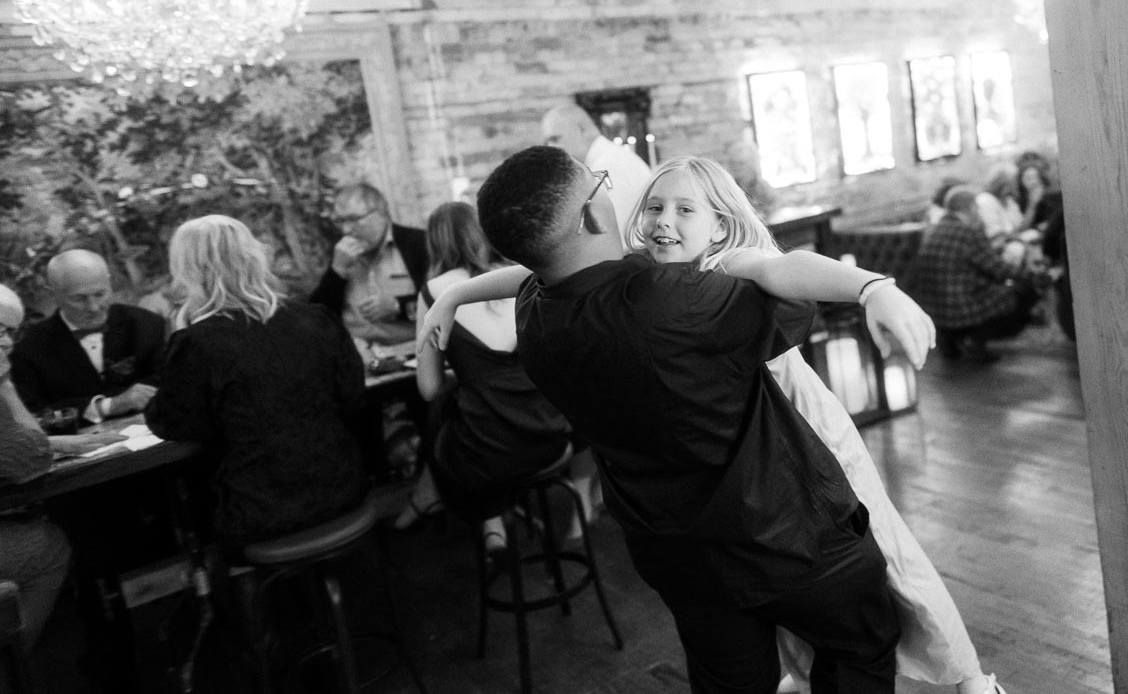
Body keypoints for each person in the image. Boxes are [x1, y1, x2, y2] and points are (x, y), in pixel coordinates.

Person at [419, 145, 942, 694]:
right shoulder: (674, 301)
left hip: (677, 555)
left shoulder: (535, 312)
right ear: (595, 215)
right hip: (783, 536)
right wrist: (871, 286)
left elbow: (527, 273)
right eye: (601, 185)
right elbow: (786, 290)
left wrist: (451, 294)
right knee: (859, 651)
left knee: (731, 683)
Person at [147, 216, 369, 547]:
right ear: (254, 256)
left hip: (260, 511)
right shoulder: (316, 319)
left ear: (188, 272)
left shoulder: (196, 343)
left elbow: (175, 424)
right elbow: (353, 398)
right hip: (345, 487)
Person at [392, 202, 571, 537]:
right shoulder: (522, 274)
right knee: (470, 414)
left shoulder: (434, 291)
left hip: (490, 452)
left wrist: (469, 374)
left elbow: (428, 388)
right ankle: (494, 523)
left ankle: (486, 523)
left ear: (435, 244)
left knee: (446, 418)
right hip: (551, 432)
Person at [0, 284, 125, 653]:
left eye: (11, 333)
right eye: (0, 332)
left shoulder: (141, 324)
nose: (8, 344)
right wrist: (4, 382)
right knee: (47, 546)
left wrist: (51, 444)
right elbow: (29, 463)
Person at [11, 249, 165, 424]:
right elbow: (35, 413)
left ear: (109, 283)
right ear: (54, 294)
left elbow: (171, 380)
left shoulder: (145, 323)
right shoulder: (28, 348)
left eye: (100, 294)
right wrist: (107, 406)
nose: (94, 307)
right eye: (79, 299)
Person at [907, 186, 1047, 363]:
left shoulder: (934, 229)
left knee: (996, 287)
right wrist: (1032, 275)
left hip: (935, 310)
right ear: (971, 208)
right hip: (960, 307)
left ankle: (950, 338)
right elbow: (1000, 269)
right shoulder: (968, 232)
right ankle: (975, 340)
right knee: (1024, 290)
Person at [310, 182, 429, 362]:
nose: (346, 230)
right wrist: (337, 271)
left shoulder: (418, 244)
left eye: (353, 219)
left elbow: (442, 302)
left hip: (416, 355)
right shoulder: (340, 253)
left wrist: (399, 307)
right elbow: (318, 316)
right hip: (358, 359)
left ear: (381, 214)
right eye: (341, 221)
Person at [540, 102, 652, 229]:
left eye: (555, 139)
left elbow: (606, 234)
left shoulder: (607, 167)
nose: (550, 148)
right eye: (547, 142)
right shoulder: (610, 159)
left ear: (582, 129)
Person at [722, 139, 777, 219]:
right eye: (733, 163)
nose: (737, 167)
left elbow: (775, 204)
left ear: (751, 163)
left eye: (741, 163)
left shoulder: (762, 186)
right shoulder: (728, 189)